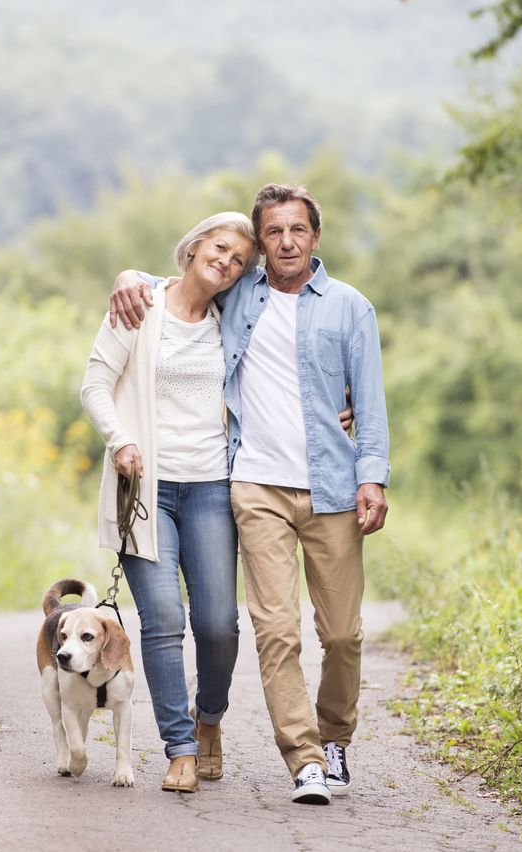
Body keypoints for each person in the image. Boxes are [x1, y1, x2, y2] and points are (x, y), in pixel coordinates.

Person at [110, 183, 390, 805]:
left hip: (334, 490)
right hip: (255, 485)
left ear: (316, 237)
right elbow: (186, 281)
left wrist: (373, 475)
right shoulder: (238, 297)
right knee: (275, 630)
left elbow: (369, 403)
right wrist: (130, 275)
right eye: (273, 233)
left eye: (298, 230)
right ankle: (305, 759)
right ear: (261, 245)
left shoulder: (350, 308)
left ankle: (335, 736)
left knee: (341, 634)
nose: (286, 242)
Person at [80, 211, 258, 793]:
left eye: (237, 261)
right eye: (219, 248)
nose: (226, 263)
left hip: (211, 486)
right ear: (193, 247)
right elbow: (94, 384)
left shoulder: (233, 317)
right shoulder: (139, 306)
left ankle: (210, 721)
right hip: (145, 490)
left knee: (217, 625)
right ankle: (180, 747)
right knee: (161, 621)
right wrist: (121, 440)